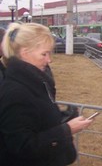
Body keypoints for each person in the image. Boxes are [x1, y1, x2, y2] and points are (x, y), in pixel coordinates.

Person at [0, 22, 94, 166]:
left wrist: (63, 118)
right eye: (44, 54)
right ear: (25, 53)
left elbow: (35, 121)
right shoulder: (15, 92)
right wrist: (66, 129)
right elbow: (23, 147)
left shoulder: (35, 82)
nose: (49, 60)